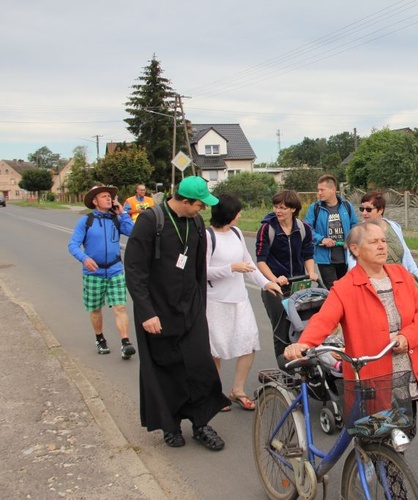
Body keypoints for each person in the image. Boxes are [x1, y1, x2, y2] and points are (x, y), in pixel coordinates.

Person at [284, 221, 418, 428]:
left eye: (383, 241)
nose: (382, 246)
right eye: (373, 242)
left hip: (405, 369)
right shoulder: (345, 287)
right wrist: (304, 343)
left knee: (406, 430)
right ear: (355, 249)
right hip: (371, 372)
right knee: (375, 435)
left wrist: (408, 337)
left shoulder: (401, 275)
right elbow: (324, 319)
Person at [124, 176, 229, 451]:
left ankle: (201, 424)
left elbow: (197, 268)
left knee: (199, 366)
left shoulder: (195, 222)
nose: (202, 210)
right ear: (184, 201)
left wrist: (200, 308)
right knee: (165, 370)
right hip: (158, 311)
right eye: (199, 205)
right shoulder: (150, 221)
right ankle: (170, 427)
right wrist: (146, 312)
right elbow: (134, 270)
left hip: (190, 309)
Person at [206, 194, 282, 411]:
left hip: (240, 299)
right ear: (227, 214)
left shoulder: (237, 233)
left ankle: (237, 390)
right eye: (237, 212)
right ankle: (214, 394)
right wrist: (230, 268)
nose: (240, 215)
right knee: (215, 350)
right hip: (215, 302)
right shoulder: (208, 236)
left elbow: (249, 264)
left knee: (248, 343)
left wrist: (267, 283)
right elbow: (201, 272)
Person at [67, 185, 135, 358]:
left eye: (110, 196)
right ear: (95, 201)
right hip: (93, 273)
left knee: (120, 307)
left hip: (115, 270)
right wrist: (84, 259)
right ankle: (100, 338)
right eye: (104, 196)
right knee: (95, 309)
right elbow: (73, 245)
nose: (109, 199)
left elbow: (134, 233)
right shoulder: (86, 221)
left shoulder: (116, 219)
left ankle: (125, 343)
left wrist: (123, 214)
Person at [255, 190, 317, 360]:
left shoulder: (303, 228)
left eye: (282, 207)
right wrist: (274, 279)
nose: (278, 211)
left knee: (302, 324)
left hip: (298, 284)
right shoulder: (267, 229)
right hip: (274, 287)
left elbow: (308, 254)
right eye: (276, 207)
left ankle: (302, 361)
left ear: (293, 209)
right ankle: (285, 367)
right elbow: (261, 260)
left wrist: (311, 272)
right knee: (281, 327)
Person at [351, 190, 418, 293]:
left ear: (380, 210)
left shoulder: (394, 227)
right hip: (376, 287)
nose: (364, 212)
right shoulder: (358, 232)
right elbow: (352, 263)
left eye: (369, 209)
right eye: (362, 209)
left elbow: (405, 253)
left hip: (401, 282)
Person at [304, 174, 358, 289]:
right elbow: (307, 229)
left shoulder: (347, 206)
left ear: (333, 189)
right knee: (333, 290)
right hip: (325, 259)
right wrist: (322, 239)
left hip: (346, 258)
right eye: (318, 190)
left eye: (322, 190)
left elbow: (355, 226)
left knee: (347, 289)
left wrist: (349, 240)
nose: (319, 193)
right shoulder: (315, 208)